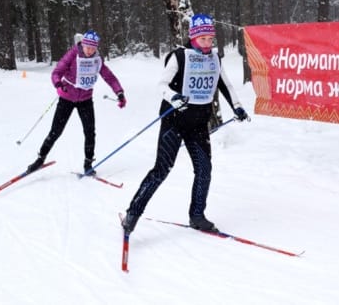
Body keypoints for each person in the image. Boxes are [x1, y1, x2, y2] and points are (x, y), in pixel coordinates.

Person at [121, 13, 248, 234]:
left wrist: (236, 106)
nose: (208, 43)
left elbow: (224, 84)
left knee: (204, 169)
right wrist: (173, 97)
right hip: (174, 122)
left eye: (211, 39)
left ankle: (197, 216)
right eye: (203, 39)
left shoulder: (214, 59)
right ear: (194, 37)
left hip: (198, 124)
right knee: (162, 170)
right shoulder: (179, 57)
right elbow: (161, 85)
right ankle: (132, 214)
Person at [26, 30, 127, 176]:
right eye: (87, 47)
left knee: (90, 132)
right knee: (56, 131)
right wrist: (58, 84)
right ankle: (40, 159)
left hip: (85, 99)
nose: (89, 51)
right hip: (67, 98)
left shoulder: (97, 59)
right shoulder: (73, 54)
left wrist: (119, 92)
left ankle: (88, 164)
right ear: (83, 45)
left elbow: (109, 77)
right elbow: (56, 72)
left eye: (93, 48)